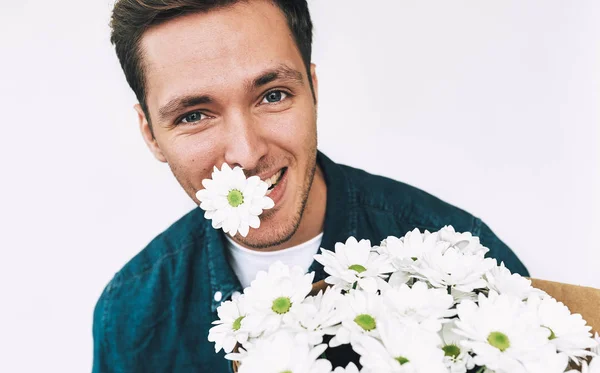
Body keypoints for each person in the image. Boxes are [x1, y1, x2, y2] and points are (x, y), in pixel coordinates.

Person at [93, 0, 529, 371]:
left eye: (273, 95)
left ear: (314, 89)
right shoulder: (128, 312)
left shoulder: (464, 260)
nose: (246, 153)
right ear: (151, 134)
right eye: (193, 115)